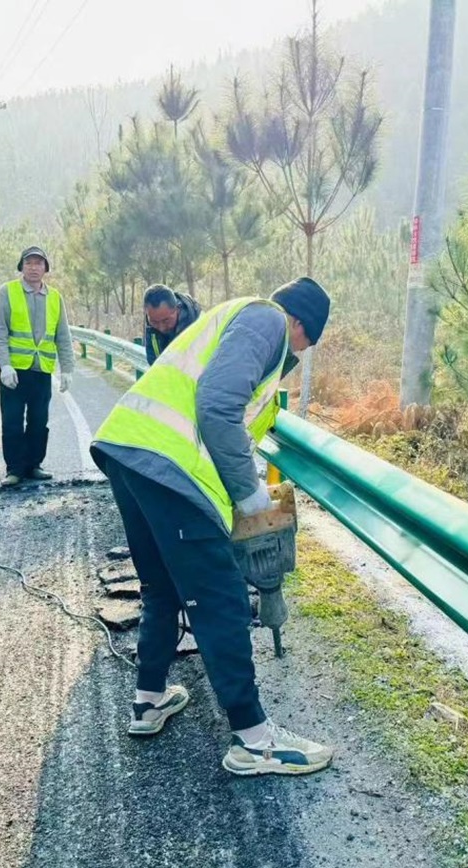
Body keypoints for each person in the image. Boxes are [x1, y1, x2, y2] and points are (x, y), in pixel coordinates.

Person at [91, 277, 332, 776]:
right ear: (299, 323)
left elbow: (229, 421)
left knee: (161, 585)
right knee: (221, 597)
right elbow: (218, 408)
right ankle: (253, 738)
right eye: (306, 342)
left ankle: (149, 700)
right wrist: (249, 494)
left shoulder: (235, 323)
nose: (299, 353)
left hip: (130, 449)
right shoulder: (267, 320)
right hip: (168, 466)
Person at [0, 246, 75, 487]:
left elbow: (63, 336)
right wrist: (4, 365)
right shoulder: (8, 291)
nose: (34, 268)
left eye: (39, 263)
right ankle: (14, 470)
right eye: (29, 263)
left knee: (39, 421)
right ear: (22, 266)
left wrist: (67, 369)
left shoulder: (55, 297)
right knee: (12, 422)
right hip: (14, 371)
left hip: (42, 371)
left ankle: (34, 465)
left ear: (45, 268)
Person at [143, 284, 201, 365]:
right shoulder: (151, 326)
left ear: (178, 309)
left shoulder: (199, 325)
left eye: (166, 321)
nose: (161, 328)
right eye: (154, 322)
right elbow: (153, 361)